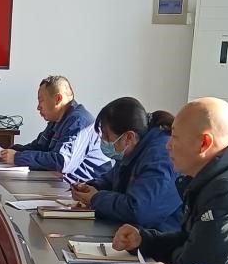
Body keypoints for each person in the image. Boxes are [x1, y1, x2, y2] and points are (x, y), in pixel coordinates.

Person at [110, 97, 228, 264]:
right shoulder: (214, 172)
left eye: (175, 137)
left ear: (204, 143)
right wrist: (143, 240)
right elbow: (190, 239)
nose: (168, 145)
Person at [69, 97, 183, 230]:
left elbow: (139, 210)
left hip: (158, 235)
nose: (102, 141)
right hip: (129, 231)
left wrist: (96, 198)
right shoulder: (133, 148)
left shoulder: (160, 156)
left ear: (129, 137)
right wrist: (91, 186)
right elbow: (114, 178)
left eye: (107, 136)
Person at [0, 75, 110, 180]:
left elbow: (62, 162)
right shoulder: (56, 120)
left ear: (58, 99)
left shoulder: (78, 121)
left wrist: (18, 157)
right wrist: (6, 152)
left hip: (86, 187)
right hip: (61, 183)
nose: (38, 107)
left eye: (41, 100)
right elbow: (39, 147)